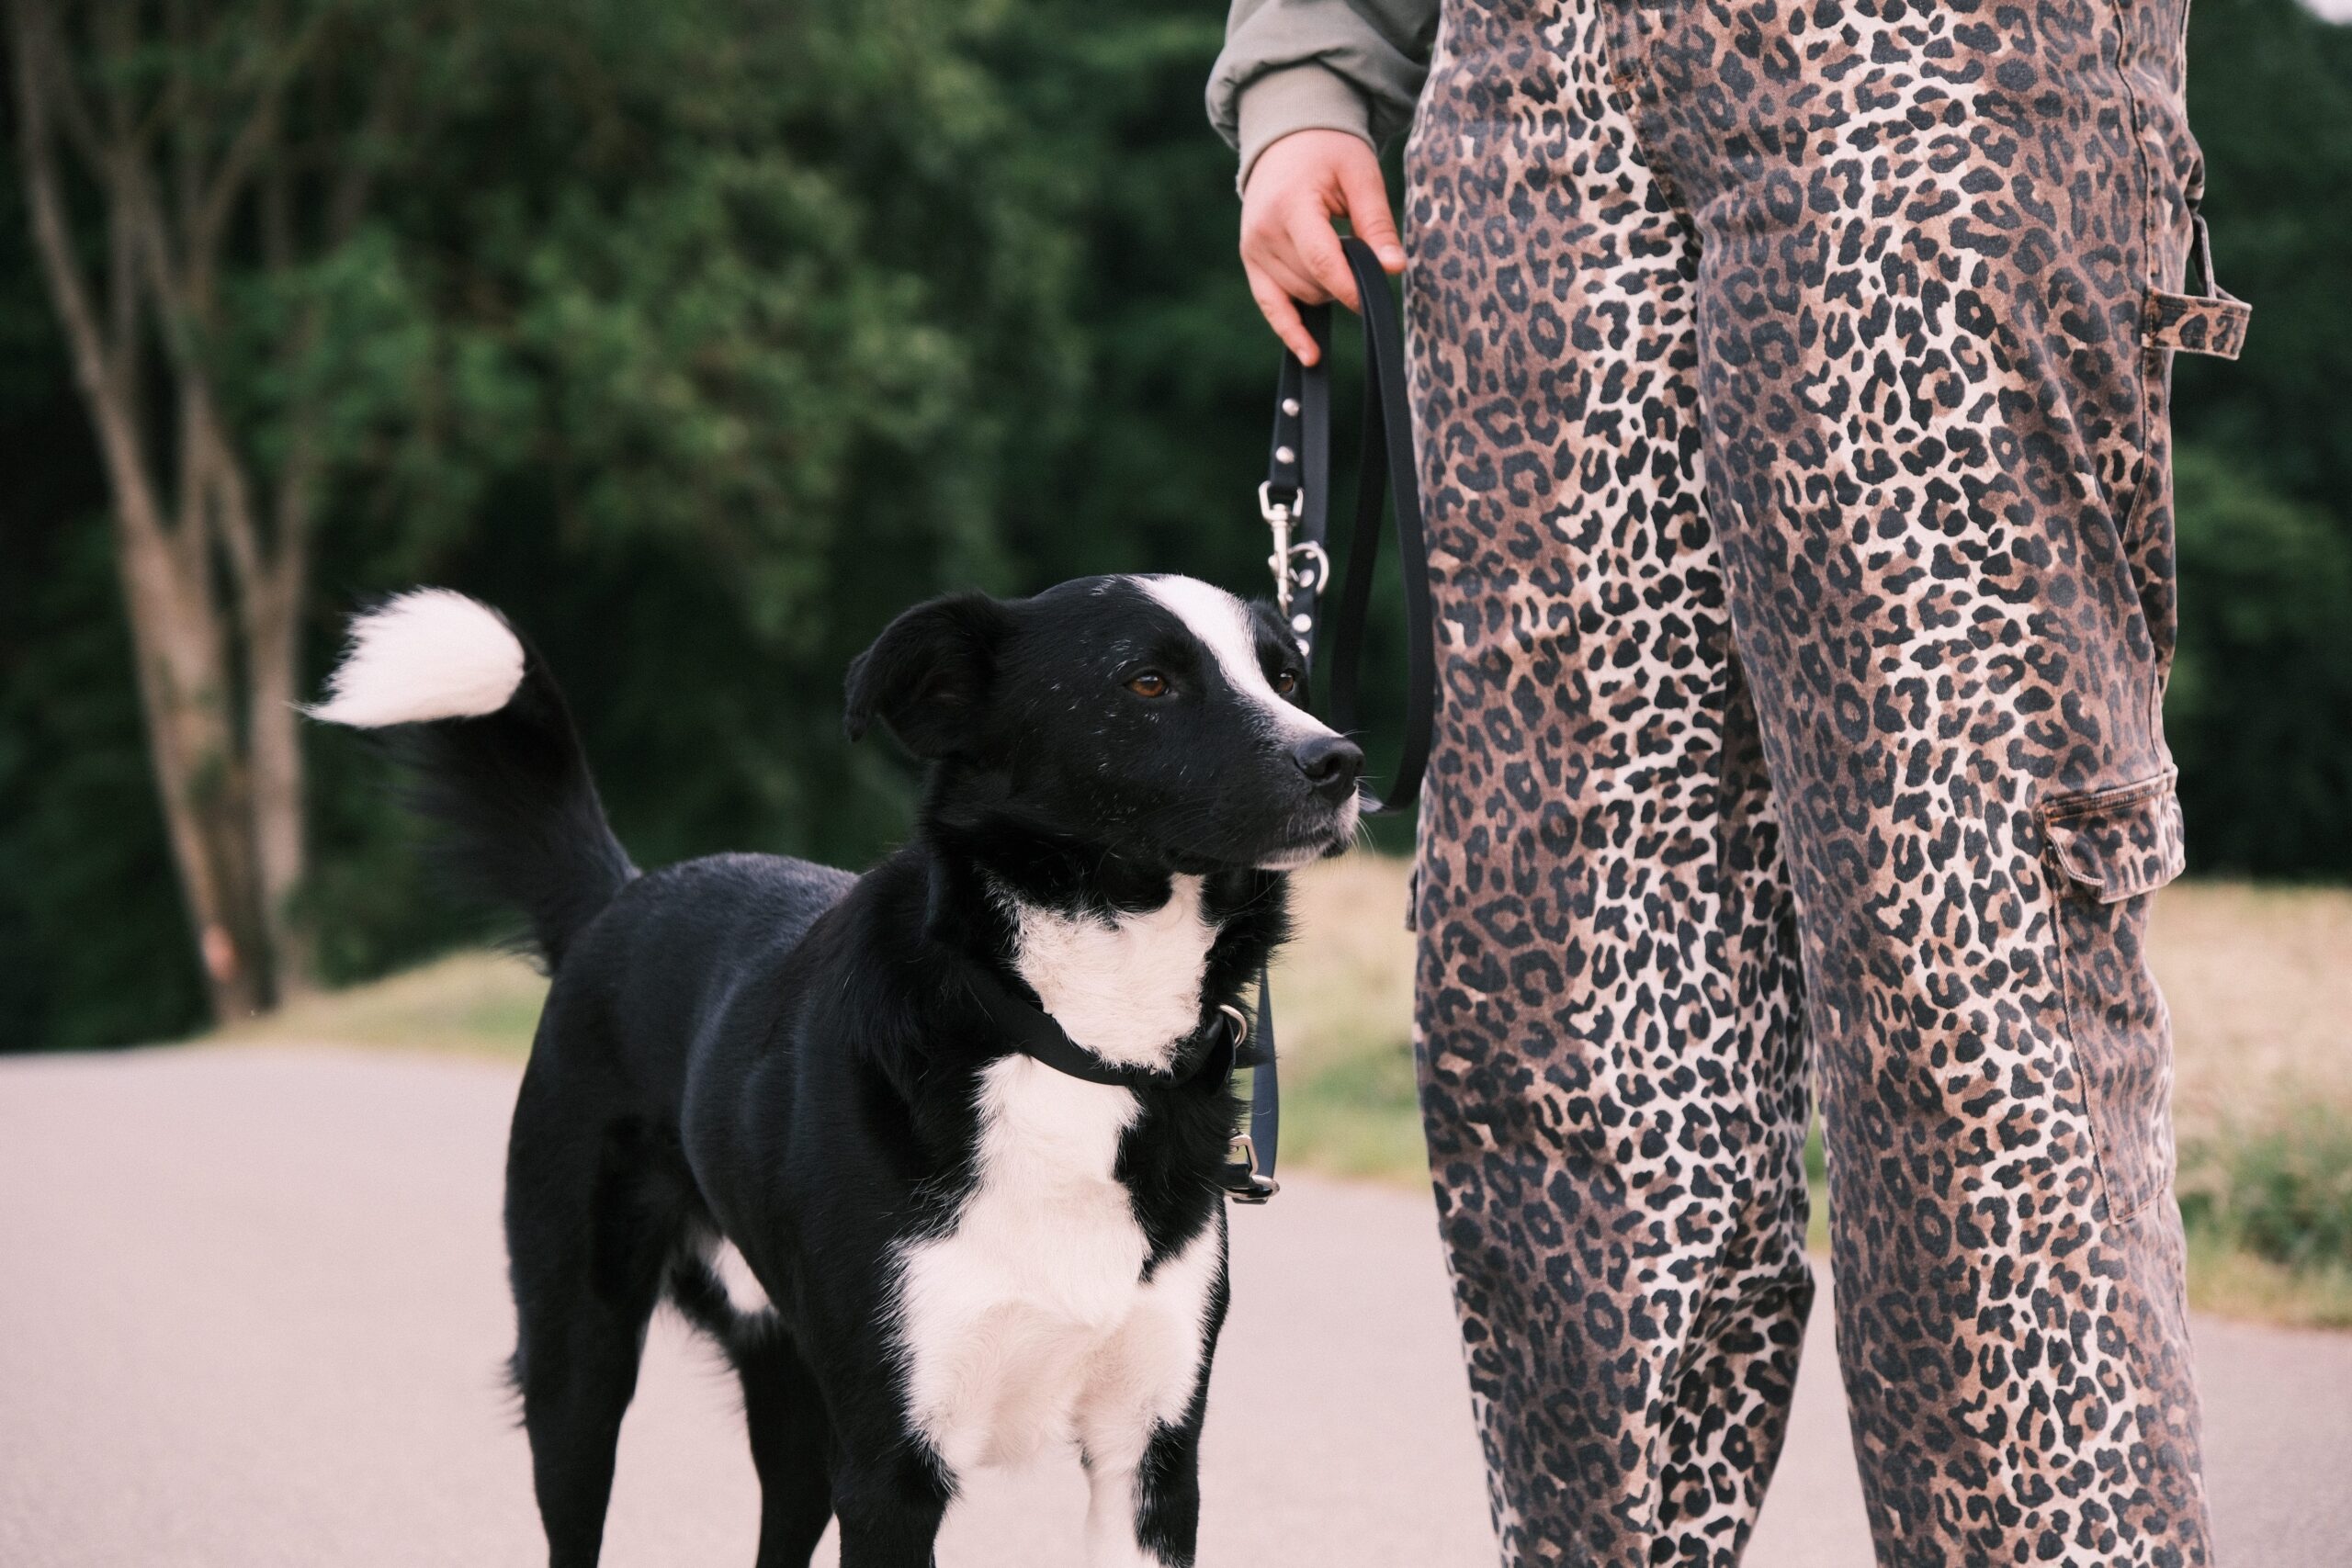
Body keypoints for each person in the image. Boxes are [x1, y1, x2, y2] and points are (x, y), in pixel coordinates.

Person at [1210, 2, 2248, 1564]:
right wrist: (1307, 66)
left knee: (1969, 973)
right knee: (1562, 996)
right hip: (1533, 90)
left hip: (1937, 65)